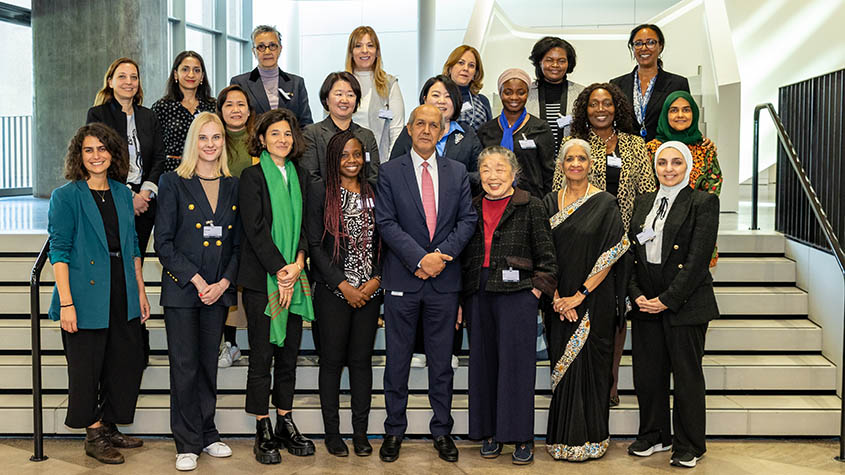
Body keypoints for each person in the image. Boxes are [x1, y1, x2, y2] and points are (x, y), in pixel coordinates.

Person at [375, 104, 477, 463]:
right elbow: (386, 223)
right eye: (420, 124)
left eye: (434, 125)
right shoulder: (390, 171)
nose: (426, 130)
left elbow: (467, 221)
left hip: (444, 282)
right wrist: (420, 259)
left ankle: (442, 430)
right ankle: (394, 430)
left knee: (442, 363)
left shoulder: (457, 171)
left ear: (442, 131)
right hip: (403, 280)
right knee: (397, 362)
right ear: (410, 128)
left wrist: (438, 258)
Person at [48, 123, 150, 465]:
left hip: (121, 286)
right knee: (86, 367)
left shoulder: (122, 193)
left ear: (113, 154)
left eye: (102, 149)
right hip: (83, 291)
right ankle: (94, 435)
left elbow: (133, 246)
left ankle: (109, 424)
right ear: (79, 155)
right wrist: (66, 303)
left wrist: (140, 292)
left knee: (125, 362)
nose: (96, 156)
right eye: (89, 150)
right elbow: (59, 251)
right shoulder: (66, 196)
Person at [551, 82, 655, 407]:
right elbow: (558, 190)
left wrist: (636, 237)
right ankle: (583, 382)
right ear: (585, 108)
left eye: (607, 103)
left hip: (623, 244)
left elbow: (647, 194)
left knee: (617, 313)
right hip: (583, 245)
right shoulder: (574, 144)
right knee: (589, 311)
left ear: (617, 107)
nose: (600, 109)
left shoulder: (635, 145)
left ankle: (609, 382)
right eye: (594, 104)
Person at [461, 146, 557, 465]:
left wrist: (535, 292)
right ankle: (489, 433)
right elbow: (464, 255)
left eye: (500, 169)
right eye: (486, 170)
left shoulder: (531, 204)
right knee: (483, 366)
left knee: (516, 368)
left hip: (519, 294)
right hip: (479, 292)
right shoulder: (471, 206)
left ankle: (520, 437)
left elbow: (547, 256)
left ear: (514, 173)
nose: (493, 176)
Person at [154, 112, 239, 471]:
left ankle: (207, 433)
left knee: (207, 366)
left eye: (216, 137)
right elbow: (163, 242)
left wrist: (223, 283)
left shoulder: (234, 185)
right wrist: (199, 281)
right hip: (184, 292)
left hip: (218, 293)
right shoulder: (173, 182)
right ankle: (187, 442)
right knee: (185, 367)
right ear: (193, 142)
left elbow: (239, 245)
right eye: (203, 137)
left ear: (223, 142)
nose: (210, 144)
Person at [627, 141, 719, 468]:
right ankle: (654, 435)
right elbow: (632, 252)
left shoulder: (703, 202)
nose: (668, 169)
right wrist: (635, 293)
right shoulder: (643, 201)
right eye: (662, 162)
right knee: (648, 375)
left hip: (685, 303)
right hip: (645, 302)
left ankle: (688, 444)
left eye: (676, 162)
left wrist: (667, 300)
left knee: (686, 377)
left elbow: (697, 260)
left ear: (688, 166)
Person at [542, 138, 629, 462]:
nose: (576, 164)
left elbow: (610, 254)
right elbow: (542, 251)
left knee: (592, 368)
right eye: (570, 159)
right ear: (561, 165)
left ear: (591, 164)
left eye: (582, 158)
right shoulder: (549, 202)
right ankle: (561, 439)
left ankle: (593, 438)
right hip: (557, 303)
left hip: (593, 300)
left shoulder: (605, 203)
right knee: (563, 368)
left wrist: (579, 296)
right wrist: (556, 297)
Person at [238, 108, 315, 464]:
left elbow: (307, 228)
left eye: (287, 133)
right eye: (274, 134)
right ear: (262, 139)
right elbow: (254, 229)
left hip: (295, 279)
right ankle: (262, 425)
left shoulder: (301, 175)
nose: (282, 139)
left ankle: (285, 420)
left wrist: (297, 265)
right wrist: (281, 270)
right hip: (262, 281)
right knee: (262, 357)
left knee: (288, 358)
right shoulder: (251, 176)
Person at [306, 130, 382, 457]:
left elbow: (386, 239)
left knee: (361, 363)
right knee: (332, 362)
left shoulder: (375, 191)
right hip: (333, 292)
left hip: (369, 292)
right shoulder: (321, 192)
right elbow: (314, 246)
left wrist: (376, 280)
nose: (352, 161)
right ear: (332, 158)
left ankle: (360, 434)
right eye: (344, 155)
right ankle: (333, 434)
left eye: (357, 154)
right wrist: (343, 286)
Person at [87, 57, 165, 261]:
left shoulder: (149, 116)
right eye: (122, 76)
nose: (129, 82)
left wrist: (145, 193)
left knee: (136, 260)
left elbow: (159, 157)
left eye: (134, 77)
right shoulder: (98, 115)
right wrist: (130, 197)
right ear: (110, 81)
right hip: (111, 198)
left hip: (145, 201)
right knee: (114, 261)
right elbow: (97, 160)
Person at [646, 91, 722, 267]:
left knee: (693, 272)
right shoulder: (650, 149)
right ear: (665, 114)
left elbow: (713, 187)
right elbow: (646, 189)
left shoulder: (705, 149)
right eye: (673, 110)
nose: (680, 115)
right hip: (658, 224)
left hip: (694, 226)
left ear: (694, 113)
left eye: (686, 110)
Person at [215, 84, 256, 368]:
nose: (235, 110)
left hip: (253, 222)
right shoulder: (213, 140)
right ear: (220, 110)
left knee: (249, 284)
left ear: (250, 110)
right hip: (222, 223)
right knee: (226, 281)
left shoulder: (259, 141)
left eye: (241, 104)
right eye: (229, 104)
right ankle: (229, 344)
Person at [390, 75, 483, 196]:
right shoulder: (411, 131)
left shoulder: (467, 134)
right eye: (435, 95)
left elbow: (480, 175)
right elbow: (393, 171)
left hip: (456, 201)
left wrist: (452, 176)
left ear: (456, 101)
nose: (442, 101)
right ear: (425, 99)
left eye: (448, 96)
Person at [478, 68, 555, 200]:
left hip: (532, 200)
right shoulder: (486, 130)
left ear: (527, 94)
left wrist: (547, 204)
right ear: (500, 93)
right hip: (493, 200)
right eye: (508, 92)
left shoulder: (541, 128)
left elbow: (549, 173)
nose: (514, 97)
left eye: (521, 93)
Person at [610, 24, 690, 143]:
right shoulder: (617, 85)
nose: (644, 48)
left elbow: (686, 120)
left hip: (663, 150)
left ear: (660, 46)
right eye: (638, 43)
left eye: (651, 42)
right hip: (626, 151)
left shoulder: (677, 84)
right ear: (632, 48)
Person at [301, 71, 380, 189]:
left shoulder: (367, 136)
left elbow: (373, 177)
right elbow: (311, 178)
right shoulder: (312, 133)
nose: (344, 100)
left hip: (361, 199)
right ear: (327, 99)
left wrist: (356, 196)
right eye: (339, 94)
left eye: (350, 95)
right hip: (324, 199)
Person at [230, 25, 313, 125]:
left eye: (272, 46)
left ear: (280, 49)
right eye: (261, 47)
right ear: (254, 51)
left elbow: (306, 123)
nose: (267, 52)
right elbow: (234, 121)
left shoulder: (297, 83)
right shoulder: (240, 83)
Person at [346, 26, 405, 158]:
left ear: (377, 52)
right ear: (351, 52)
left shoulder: (389, 84)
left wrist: (390, 164)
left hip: (380, 161)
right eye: (358, 46)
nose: (364, 50)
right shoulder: (340, 84)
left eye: (370, 45)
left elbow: (396, 130)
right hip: (345, 162)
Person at [152, 51, 217, 172]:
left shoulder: (213, 106)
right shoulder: (162, 107)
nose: (191, 74)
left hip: (207, 169)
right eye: (185, 69)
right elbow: (154, 148)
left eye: (196, 70)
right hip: (172, 171)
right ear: (176, 74)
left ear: (202, 76)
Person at [527, 36, 585, 156]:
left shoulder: (582, 94)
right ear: (540, 62)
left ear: (568, 64)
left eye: (561, 61)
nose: (555, 65)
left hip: (571, 162)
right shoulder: (526, 93)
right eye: (549, 60)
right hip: (533, 162)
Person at [442, 45, 492, 131]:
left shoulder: (482, 101)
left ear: (475, 73)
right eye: (461, 63)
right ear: (450, 68)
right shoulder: (438, 98)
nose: (466, 68)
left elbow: (490, 133)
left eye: (471, 65)